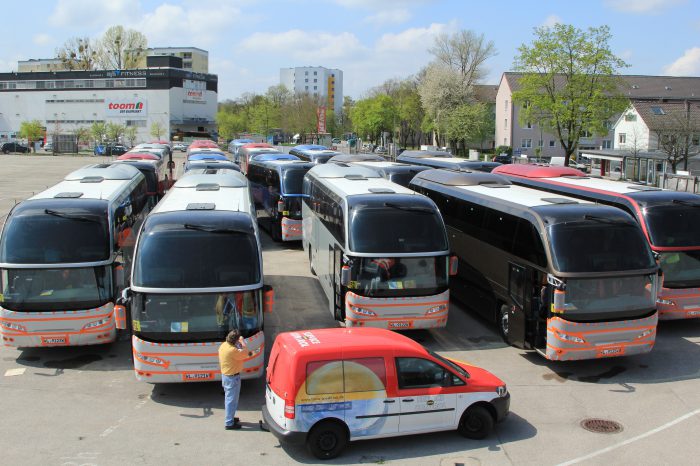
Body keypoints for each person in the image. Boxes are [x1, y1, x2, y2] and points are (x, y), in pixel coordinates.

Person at [218, 329, 252, 430]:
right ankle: (229, 423)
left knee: (230, 399)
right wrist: (242, 341)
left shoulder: (224, 345)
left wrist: (238, 343)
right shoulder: (232, 350)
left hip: (227, 376)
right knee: (231, 400)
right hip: (232, 378)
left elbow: (238, 350)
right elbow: (246, 353)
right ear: (235, 341)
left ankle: (231, 418)